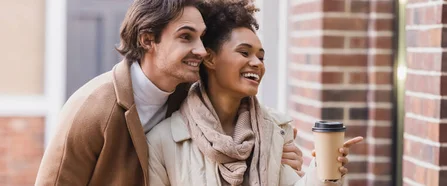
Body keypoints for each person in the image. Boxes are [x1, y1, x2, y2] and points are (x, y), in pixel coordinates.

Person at [35, 0, 303, 185]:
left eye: (202, 37)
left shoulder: (189, 100)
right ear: (147, 39)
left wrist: (272, 151)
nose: (200, 49)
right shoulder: (91, 109)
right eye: (186, 37)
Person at [146, 1, 364, 185]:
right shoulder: (162, 140)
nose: (256, 64)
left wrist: (324, 173)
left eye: (261, 57)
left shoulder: (277, 127)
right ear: (210, 58)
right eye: (244, 52)